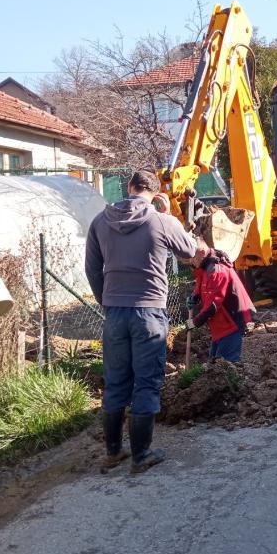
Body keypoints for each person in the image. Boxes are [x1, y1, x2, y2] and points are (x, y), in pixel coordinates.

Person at [85, 170, 198, 473]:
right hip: (148, 313)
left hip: (114, 313)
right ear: (154, 191)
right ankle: (141, 455)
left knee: (115, 382)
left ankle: (112, 452)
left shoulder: (100, 222)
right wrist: (168, 214)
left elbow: (92, 269)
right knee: (146, 384)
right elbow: (189, 250)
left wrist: (107, 301)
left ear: (130, 187)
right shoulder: (161, 220)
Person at [187, 243, 257, 362]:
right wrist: (195, 295)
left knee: (226, 365)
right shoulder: (205, 267)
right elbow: (201, 282)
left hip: (230, 322)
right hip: (220, 324)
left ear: (202, 252)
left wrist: (194, 322)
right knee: (215, 364)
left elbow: (213, 305)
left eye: (192, 257)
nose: (191, 261)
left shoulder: (216, 271)